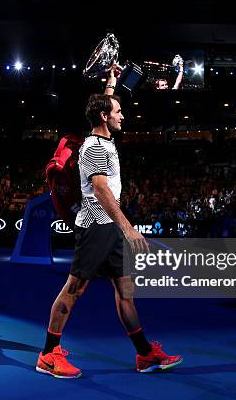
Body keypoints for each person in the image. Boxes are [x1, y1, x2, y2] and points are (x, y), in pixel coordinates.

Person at [35, 66, 183, 378]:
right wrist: (129, 228)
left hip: (111, 227)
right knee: (74, 288)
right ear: (104, 116)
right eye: (117, 111)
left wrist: (112, 79)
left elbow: (105, 102)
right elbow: (101, 191)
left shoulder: (104, 138)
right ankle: (48, 354)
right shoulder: (94, 146)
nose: (122, 115)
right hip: (96, 225)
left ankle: (144, 354)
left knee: (125, 288)